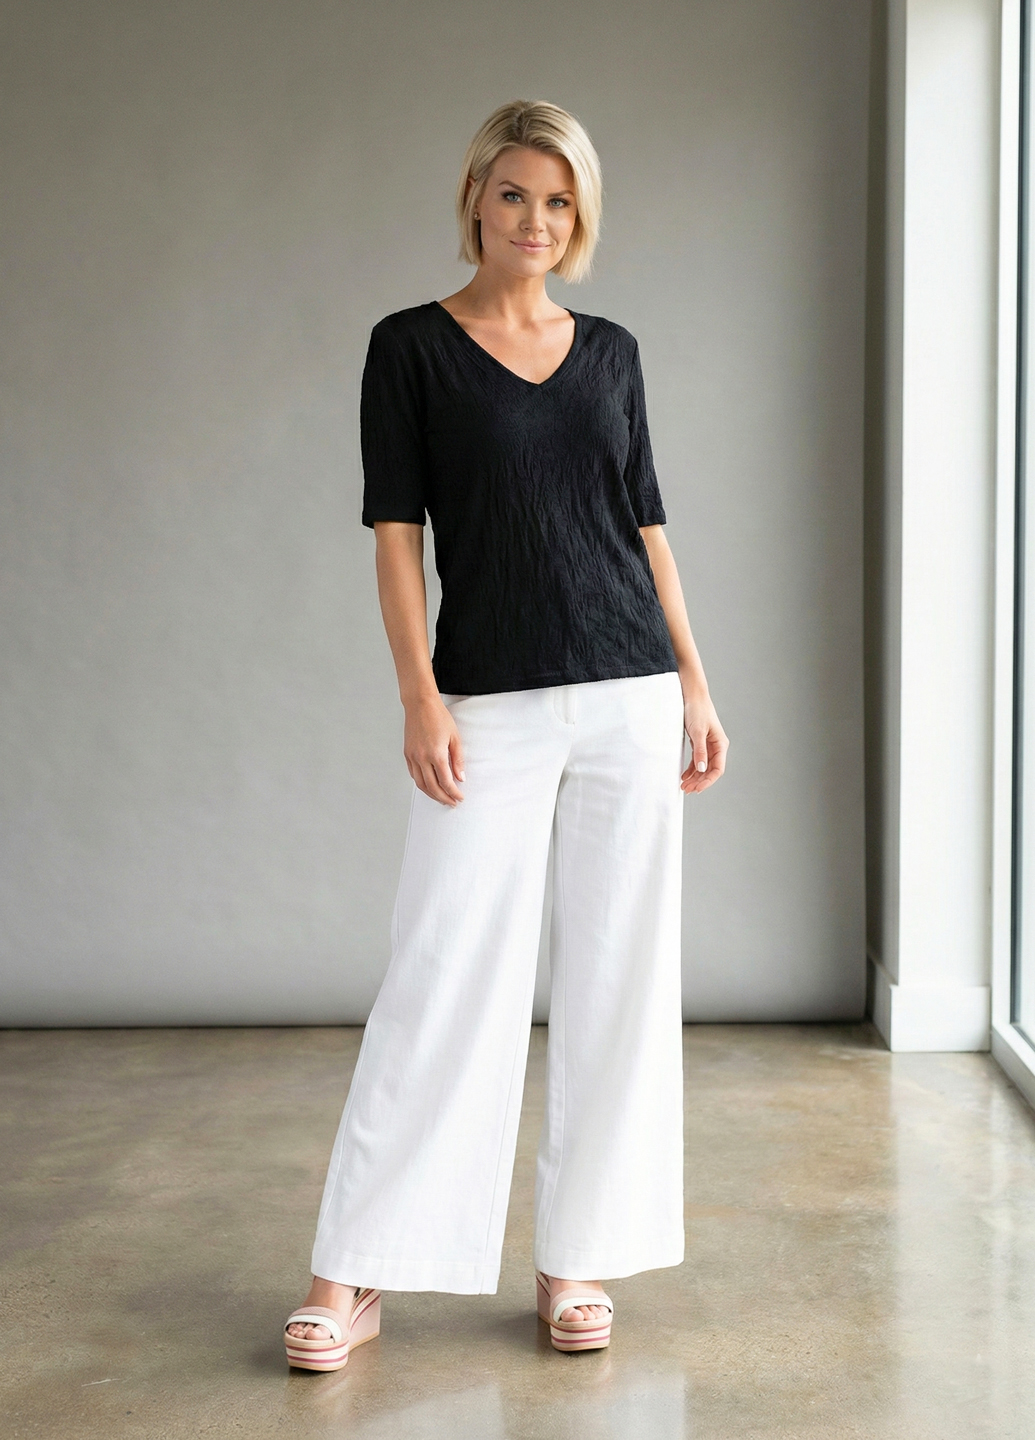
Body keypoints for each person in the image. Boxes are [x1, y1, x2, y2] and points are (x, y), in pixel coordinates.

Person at [283, 98, 728, 1370]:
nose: (537, 220)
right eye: (516, 193)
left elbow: (646, 530)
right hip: (488, 701)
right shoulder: (410, 350)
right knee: (442, 976)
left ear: (581, 218)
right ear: (478, 198)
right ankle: (353, 1270)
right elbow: (397, 541)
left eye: (560, 201)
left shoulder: (613, 353)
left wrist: (695, 683)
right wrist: (419, 696)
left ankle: (576, 1257)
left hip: (629, 693)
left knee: (619, 978)